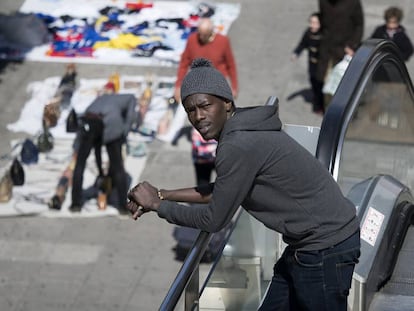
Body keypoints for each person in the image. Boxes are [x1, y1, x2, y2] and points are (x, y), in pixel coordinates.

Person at [127, 58, 361, 310]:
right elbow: (227, 190)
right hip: (309, 244)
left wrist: (158, 206)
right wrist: (163, 195)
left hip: (324, 248)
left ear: (226, 103)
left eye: (205, 105)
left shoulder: (236, 145)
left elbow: (215, 220)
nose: (198, 116)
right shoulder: (245, 127)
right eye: (190, 110)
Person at [70, 82, 136, 214]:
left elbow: (97, 147)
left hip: (88, 122)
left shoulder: (98, 101)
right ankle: (122, 206)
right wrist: (125, 129)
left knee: (80, 164)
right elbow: (132, 100)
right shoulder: (123, 98)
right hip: (108, 123)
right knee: (118, 165)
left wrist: (101, 172)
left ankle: (75, 204)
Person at [173, 17, 238, 102]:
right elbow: (184, 63)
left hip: (217, 83)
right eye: (200, 34)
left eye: (204, 35)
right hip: (197, 83)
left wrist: (234, 87)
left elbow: (231, 64)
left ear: (211, 32)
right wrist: (178, 85)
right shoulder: (192, 40)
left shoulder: (223, 41)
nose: (201, 37)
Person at [317, 0, 364, 109]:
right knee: (327, 82)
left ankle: (343, 110)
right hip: (327, 49)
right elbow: (322, 19)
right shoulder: (323, 2)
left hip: (344, 50)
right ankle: (328, 110)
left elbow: (359, 25)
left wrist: (352, 45)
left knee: (344, 82)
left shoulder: (353, 3)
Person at [291, 12, 324, 114]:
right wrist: (296, 53)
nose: (312, 25)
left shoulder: (324, 35)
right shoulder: (308, 33)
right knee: (314, 82)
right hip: (312, 65)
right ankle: (317, 101)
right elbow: (302, 44)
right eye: (311, 22)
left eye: (315, 23)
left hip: (322, 66)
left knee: (321, 86)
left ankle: (320, 105)